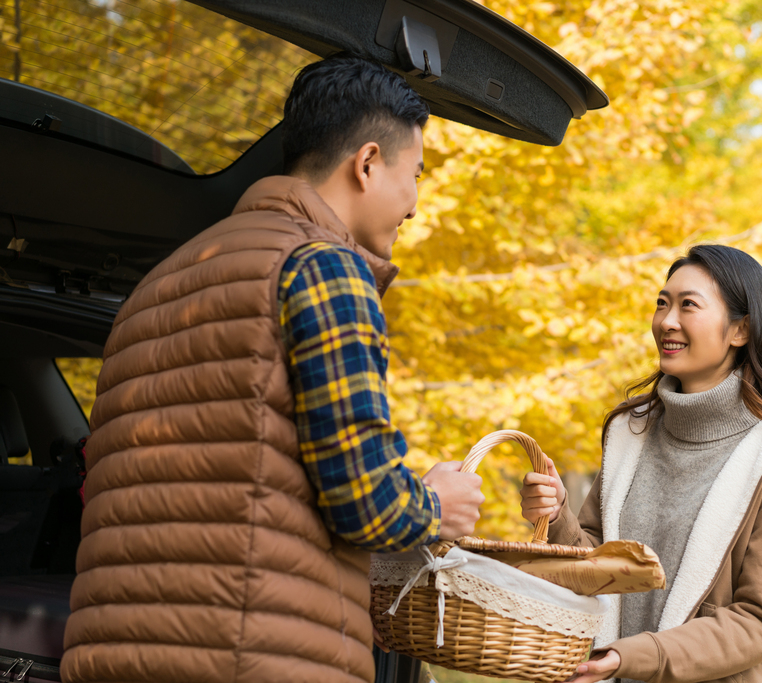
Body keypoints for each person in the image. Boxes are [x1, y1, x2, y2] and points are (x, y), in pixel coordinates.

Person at [62, 56, 484, 683]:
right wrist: (433, 503)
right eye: (414, 175)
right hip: (254, 655)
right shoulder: (324, 268)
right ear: (368, 164)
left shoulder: (152, 289)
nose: (415, 204)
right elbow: (366, 502)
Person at [520, 244, 762, 683]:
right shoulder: (631, 432)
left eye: (688, 305)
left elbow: (759, 622)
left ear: (740, 330)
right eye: (662, 303)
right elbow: (598, 561)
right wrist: (556, 516)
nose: (666, 321)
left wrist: (630, 656)